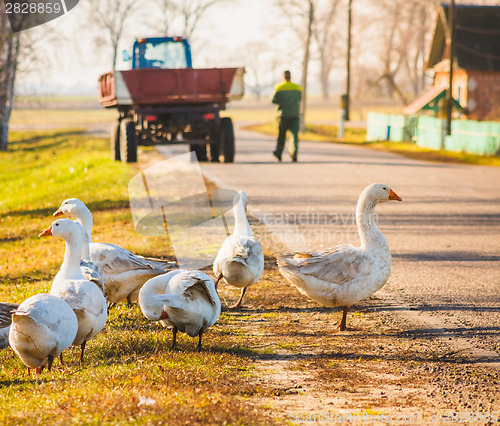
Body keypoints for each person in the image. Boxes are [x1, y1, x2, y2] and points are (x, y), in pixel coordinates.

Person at [271, 70, 302, 162]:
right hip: (294, 115)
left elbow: (273, 100)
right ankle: (294, 153)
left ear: (283, 77)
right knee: (294, 136)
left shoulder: (279, 87)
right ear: (291, 77)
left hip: (283, 115)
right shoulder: (298, 88)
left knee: (281, 135)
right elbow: (300, 99)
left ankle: (279, 153)